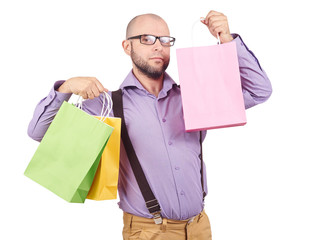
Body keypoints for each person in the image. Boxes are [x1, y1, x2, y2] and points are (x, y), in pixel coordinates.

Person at [27, 10, 272, 240]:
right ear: (127, 46)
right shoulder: (108, 105)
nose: (158, 45)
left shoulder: (194, 97)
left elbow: (259, 90)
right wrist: (65, 87)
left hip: (199, 227)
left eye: (165, 40)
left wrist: (227, 41)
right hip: (148, 232)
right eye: (147, 38)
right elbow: (38, 131)